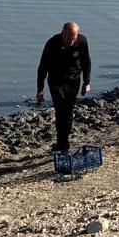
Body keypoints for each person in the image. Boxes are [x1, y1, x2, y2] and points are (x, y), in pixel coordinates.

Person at [35, 21, 93, 153]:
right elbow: (42, 67)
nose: (71, 42)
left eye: (73, 38)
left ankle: (62, 142)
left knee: (69, 112)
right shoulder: (52, 43)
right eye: (68, 38)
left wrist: (86, 82)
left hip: (74, 80)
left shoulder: (82, 41)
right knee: (61, 110)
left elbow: (86, 62)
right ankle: (63, 144)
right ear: (62, 33)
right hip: (56, 81)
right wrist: (40, 89)